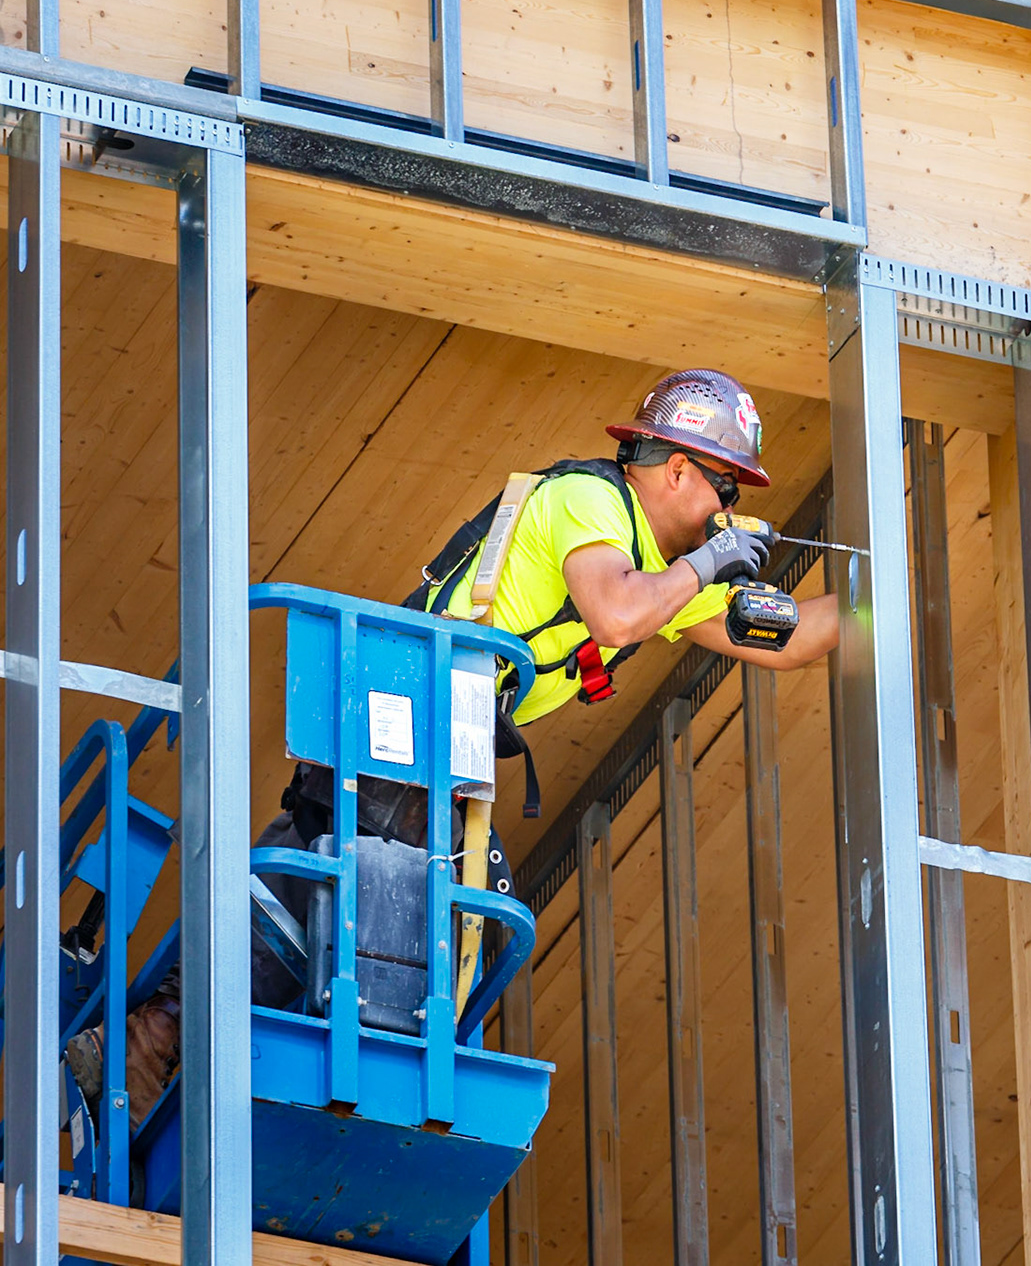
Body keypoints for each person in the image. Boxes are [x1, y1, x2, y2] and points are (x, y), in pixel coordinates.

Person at [66, 368, 839, 1119]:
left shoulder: (660, 570)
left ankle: (152, 1049)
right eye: (727, 487)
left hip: (431, 745)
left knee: (329, 893)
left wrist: (882, 610)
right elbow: (614, 613)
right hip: (408, 716)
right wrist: (711, 561)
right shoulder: (588, 500)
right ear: (677, 469)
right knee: (389, 904)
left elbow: (790, 638)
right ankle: (168, 1049)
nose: (727, 510)